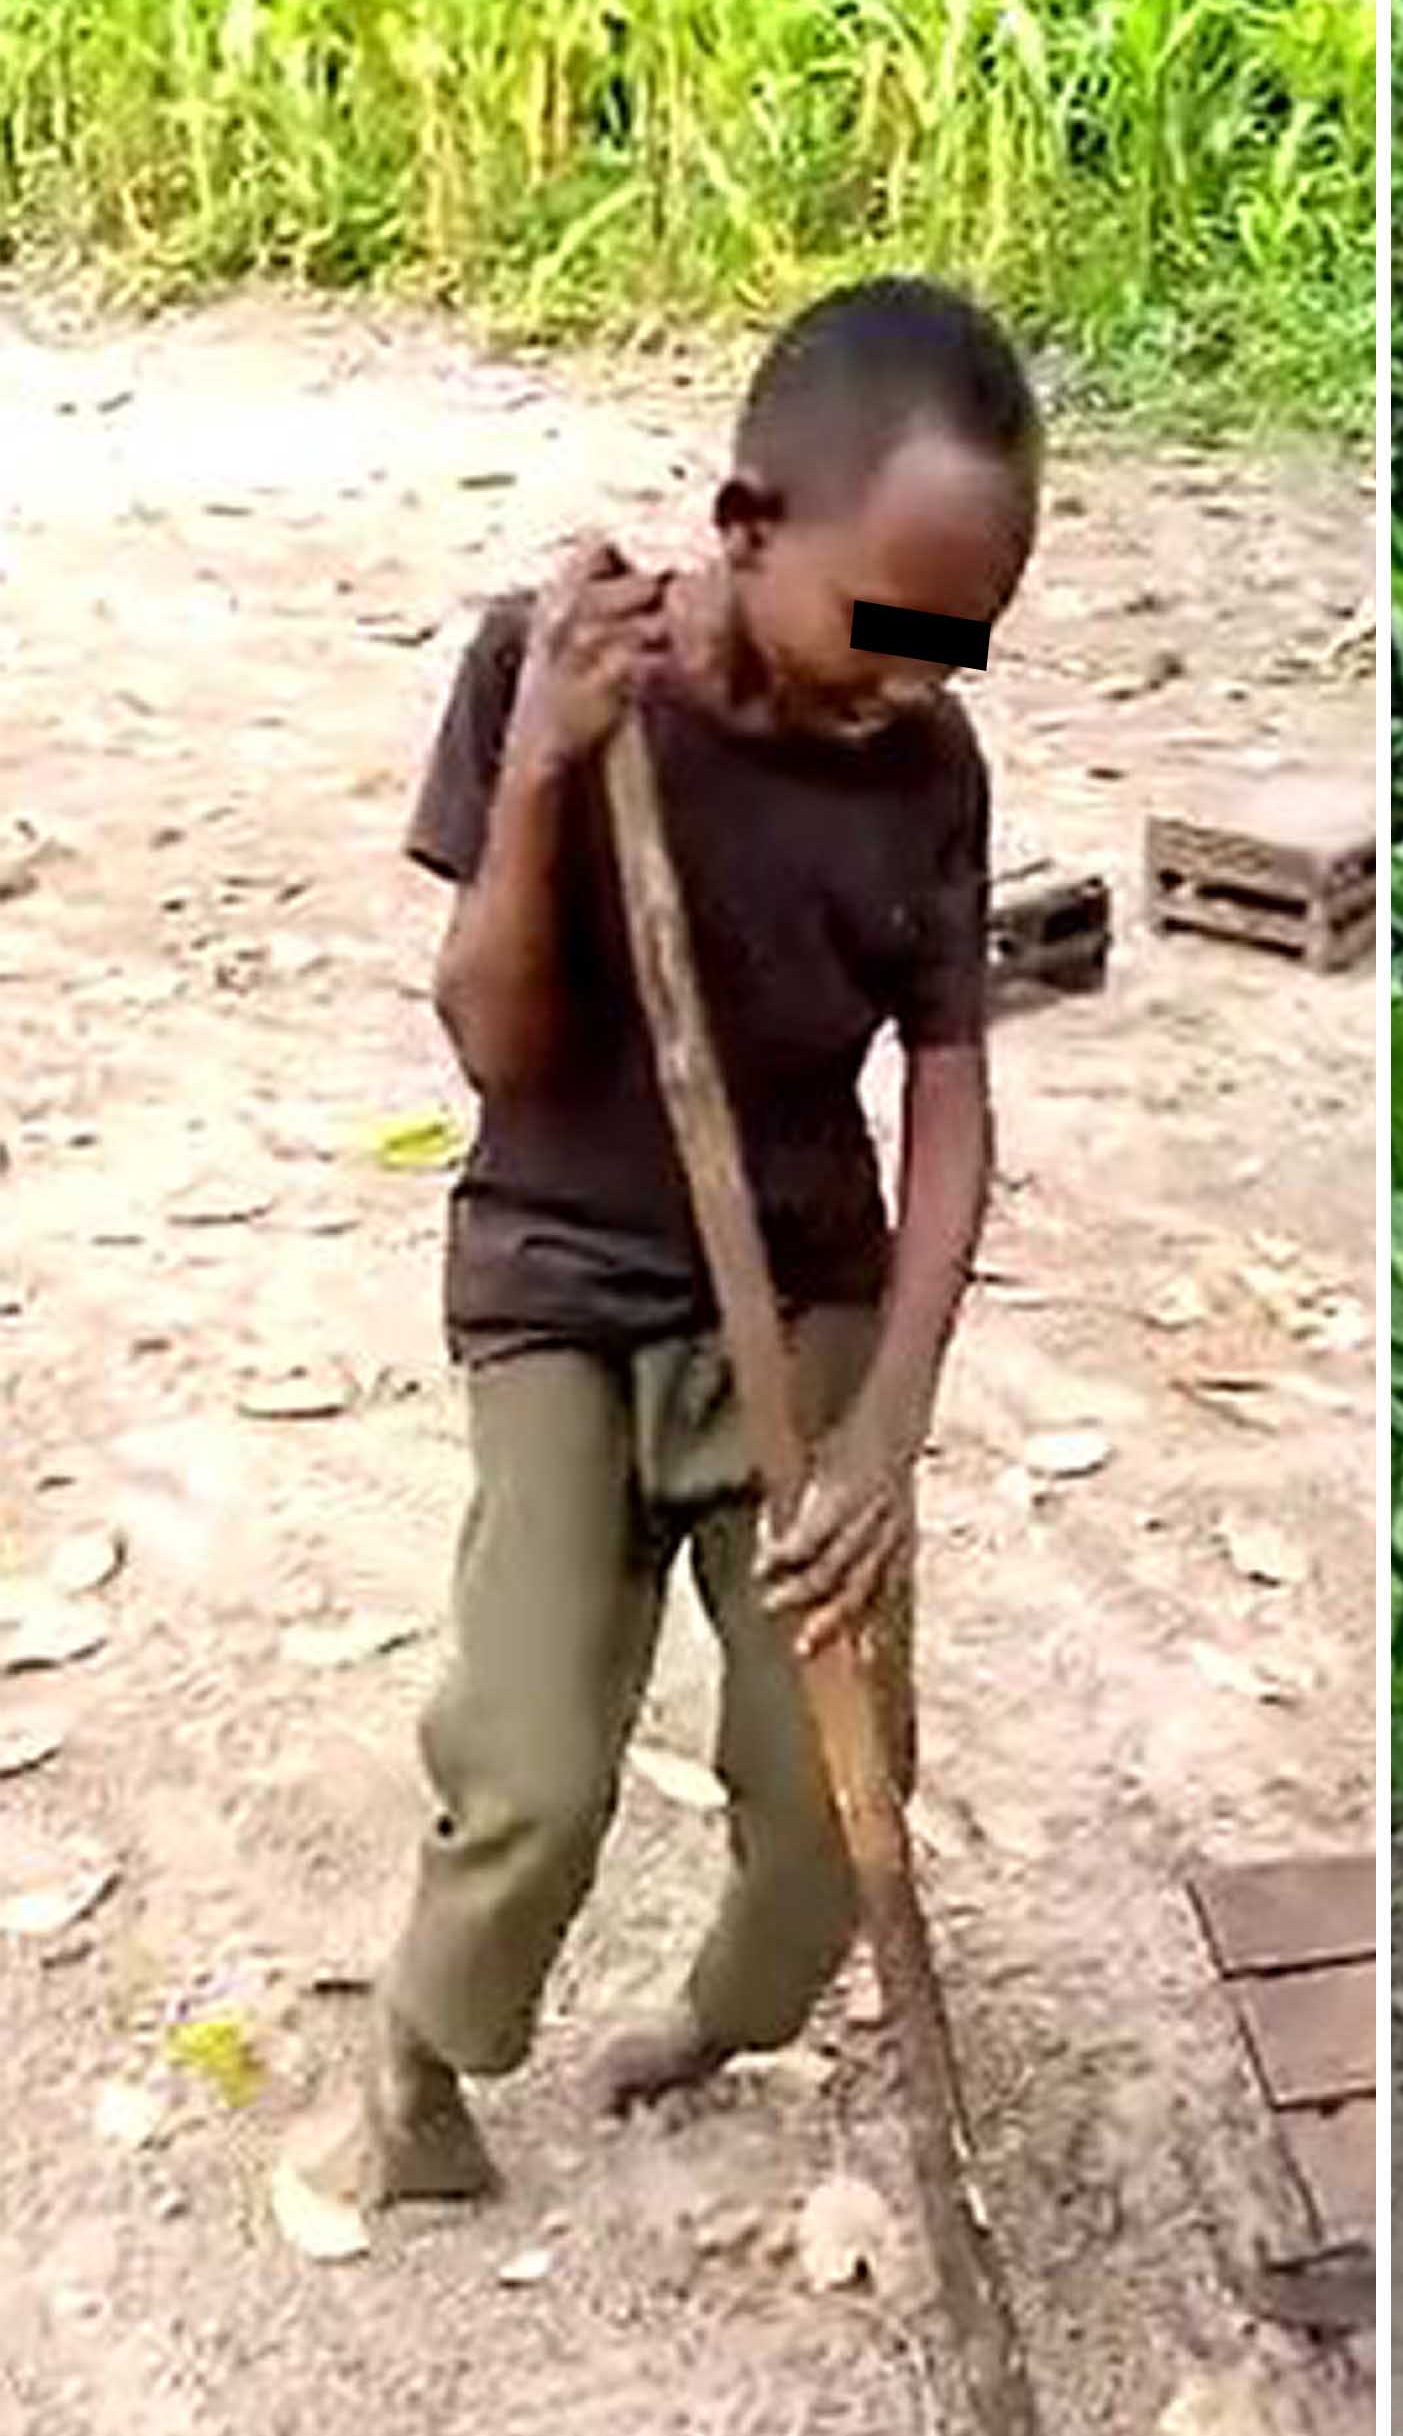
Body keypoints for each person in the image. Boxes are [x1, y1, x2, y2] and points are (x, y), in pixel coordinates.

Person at [362, 278, 1033, 2202]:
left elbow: (954, 1100)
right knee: (533, 1761)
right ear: (746, 525)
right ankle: (423, 2050)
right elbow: (492, 1042)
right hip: (560, 1278)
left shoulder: (929, 766)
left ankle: (727, 2015)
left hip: (801, 1285)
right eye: (888, 622)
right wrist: (545, 767)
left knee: (832, 1776)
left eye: (962, 637)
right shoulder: (557, 669)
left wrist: (888, 1423)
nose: (919, 673)